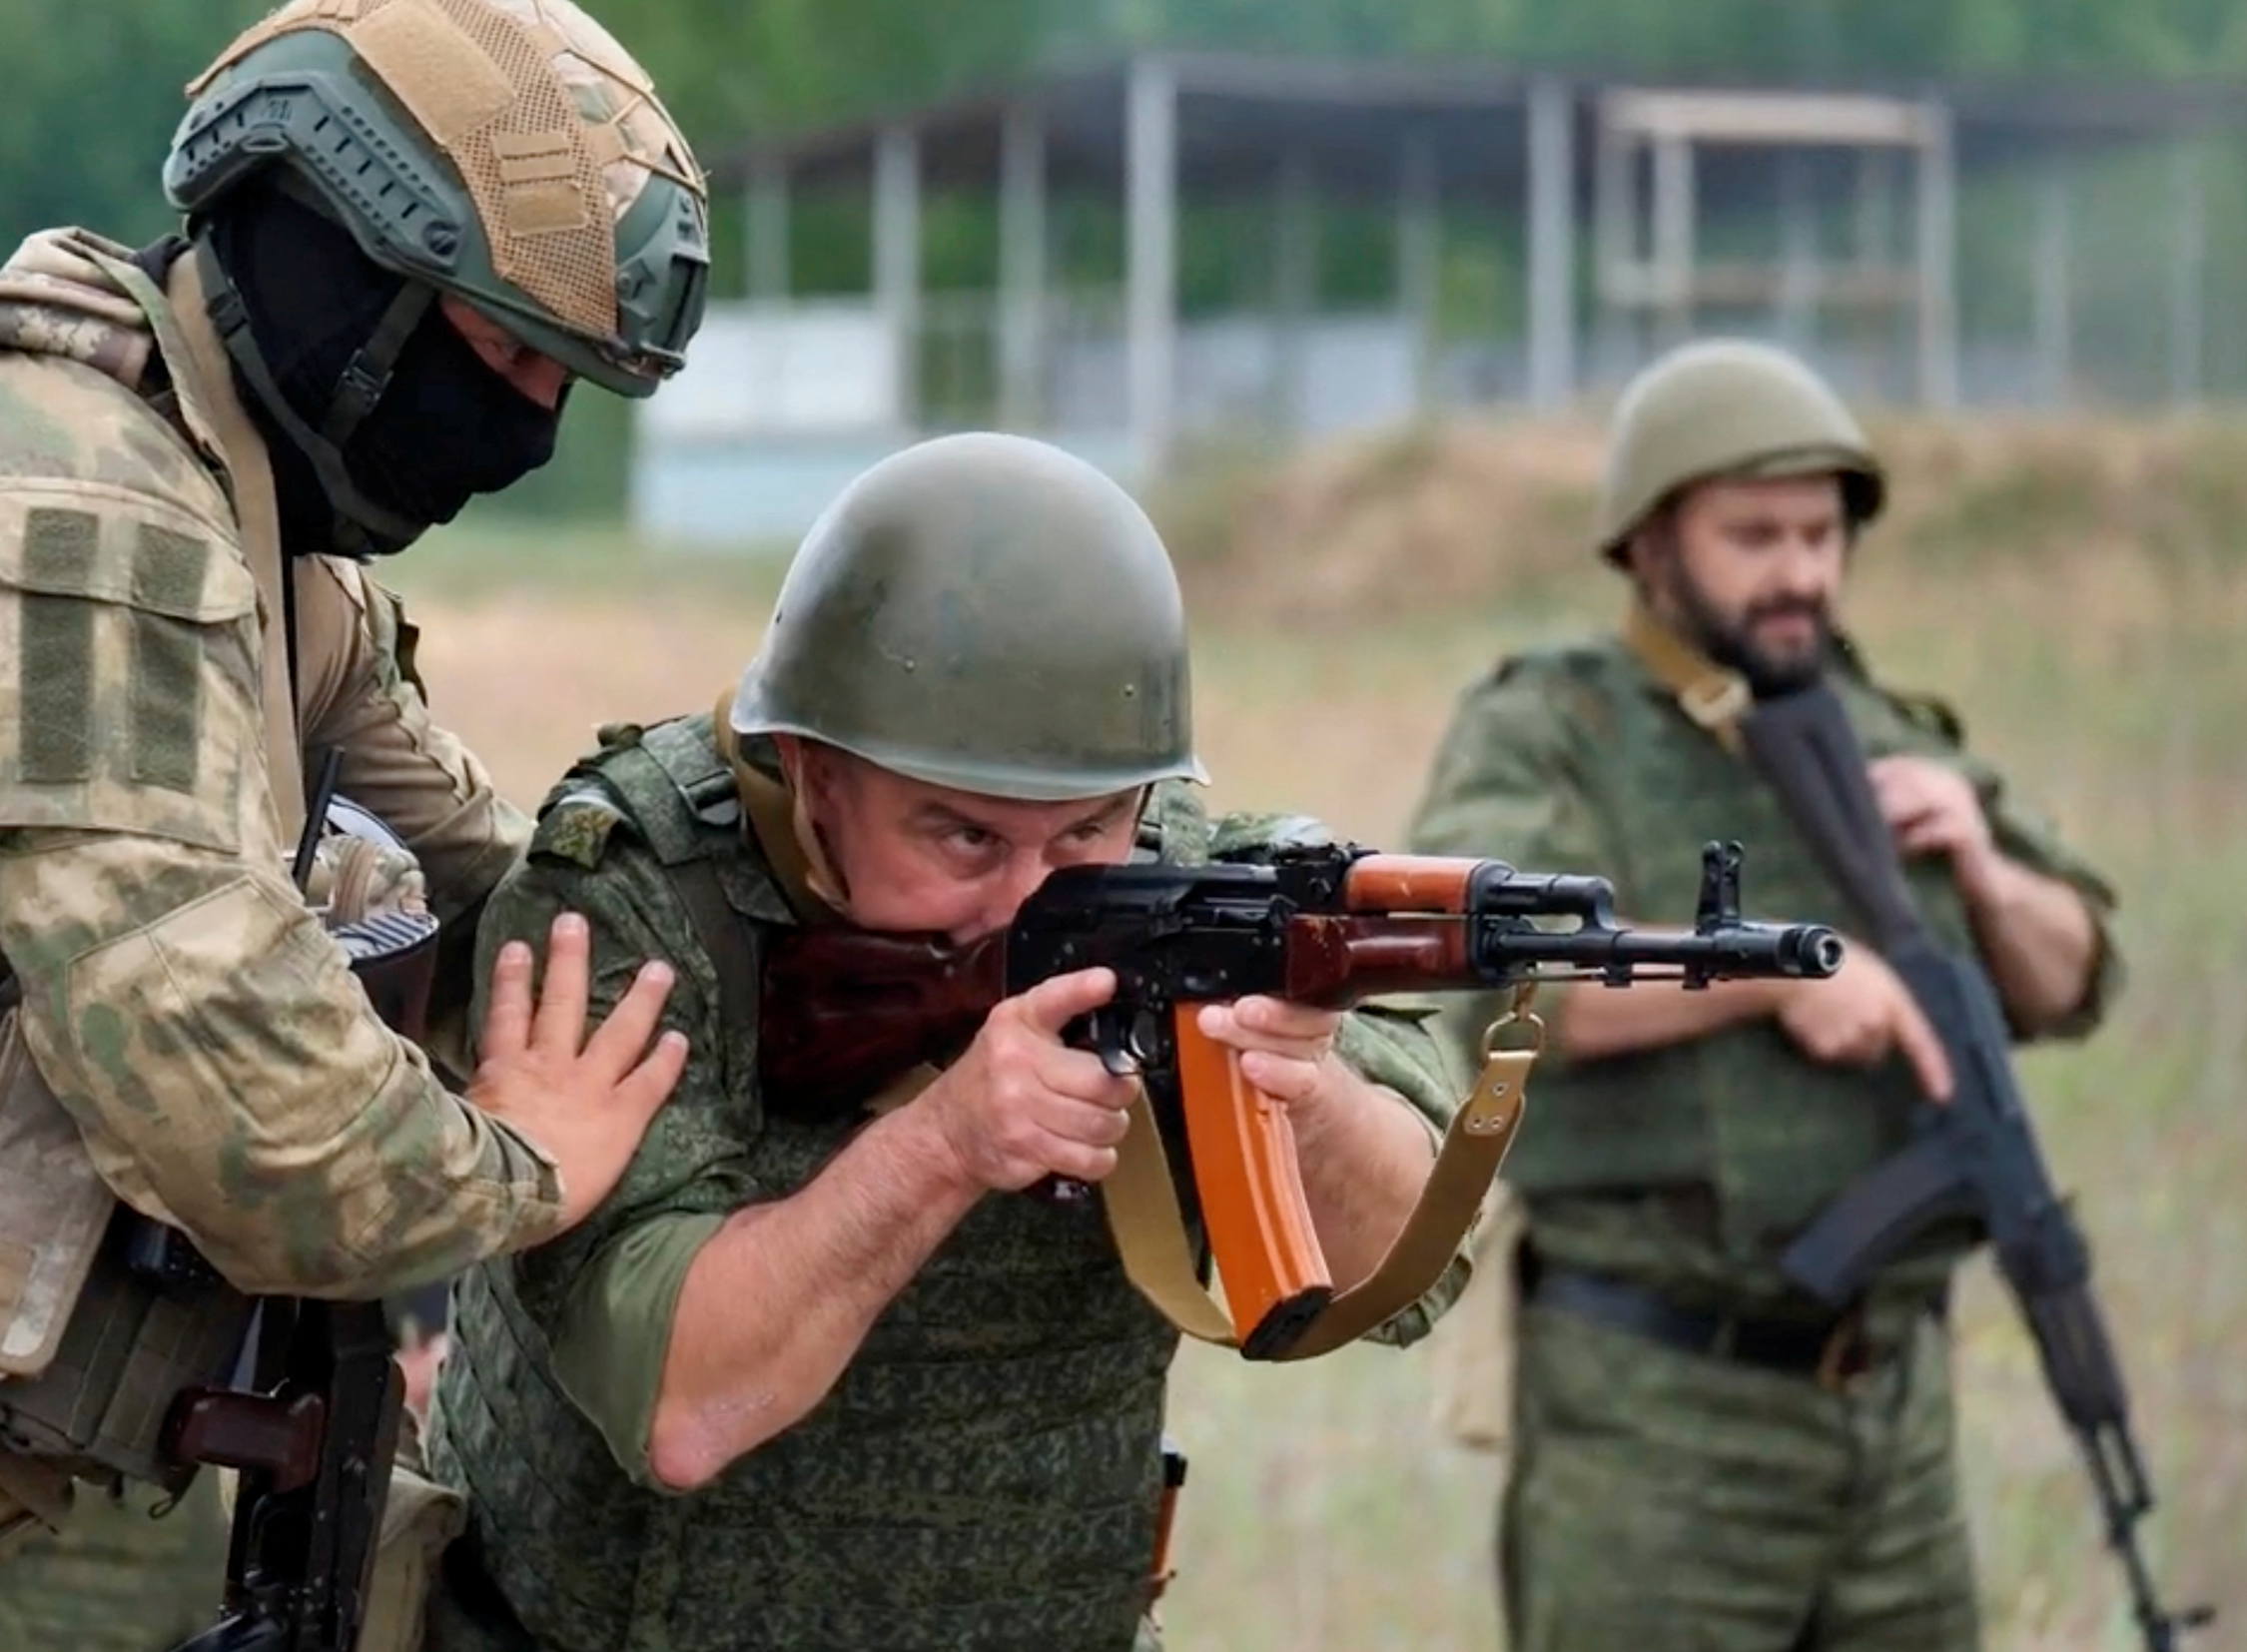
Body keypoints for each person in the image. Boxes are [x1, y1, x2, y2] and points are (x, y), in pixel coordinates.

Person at [417, 431, 1476, 1652]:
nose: (1029, 902)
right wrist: (946, 1143)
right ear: (814, 774)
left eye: (1085, 834)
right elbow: (681, 1409)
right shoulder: (635, 903)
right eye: (965, 837)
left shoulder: (1192, 880)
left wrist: (1306, 1093)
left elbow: (1410, 1278)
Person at [0, 2, 708, 1644]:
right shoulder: (82, 514)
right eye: (505, 353)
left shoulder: (258, 533)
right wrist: (518, 1161)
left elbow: (493, 887)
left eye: (565, 380)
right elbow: (244, 1106)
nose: (527, 427)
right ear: (339, 262)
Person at [1405, 337, 2124, 1652]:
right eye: (1754, 534)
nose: (1798, 570)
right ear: (1648, 543)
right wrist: (1771, 974)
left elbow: (2076, 971)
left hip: (1891, 1416)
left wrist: (1981, 863)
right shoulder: (1555, 727)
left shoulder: (1883, 729)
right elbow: (1503, 975)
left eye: (1820, 533)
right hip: (1659, 1418)